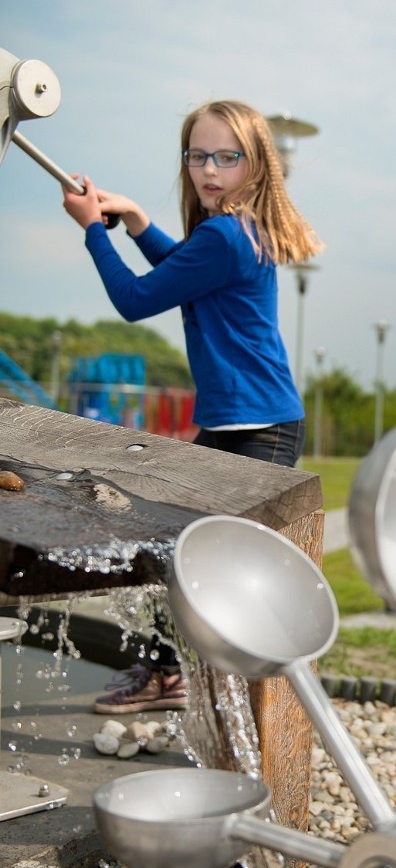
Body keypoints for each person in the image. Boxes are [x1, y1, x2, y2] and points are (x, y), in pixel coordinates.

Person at [62, 99, 323, 714]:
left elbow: (135, 299)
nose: (209, 170)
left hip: (258, 429)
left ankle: (192, 677)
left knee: (191, 553)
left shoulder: (227, 235)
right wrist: (138, 223)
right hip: (251, 424)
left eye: (227, 158)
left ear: (256, 165)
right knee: (173, 546)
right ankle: (170, 673)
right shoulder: (231, 233)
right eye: (198, 155)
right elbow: (183, 271)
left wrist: (93, 230)